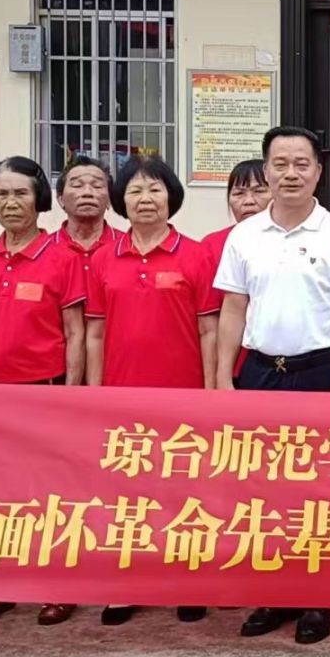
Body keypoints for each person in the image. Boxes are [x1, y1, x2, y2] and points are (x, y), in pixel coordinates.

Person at [215, 126, 330, 644]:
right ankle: (274, 594)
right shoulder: (244, 237)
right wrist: (222, 379)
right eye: (280, 164)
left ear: (318, 171)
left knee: (317, 489)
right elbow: (233, 308)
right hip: (261, 373)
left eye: (301, 163)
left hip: (319, 373)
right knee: (263, 489)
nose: (290, 173)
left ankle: (316, 598)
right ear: (266, 171)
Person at [0, 156, 87, 628]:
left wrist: (72, 395)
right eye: (2, 193)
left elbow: (75, 333)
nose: (11, 202)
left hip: (43, 394)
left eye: (21, 193)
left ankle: (57, 586)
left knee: (49, 494)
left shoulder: (63, 259)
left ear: (40, 199)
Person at [83, 154, 217, 628]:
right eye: (135, 190)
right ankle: (128, 585)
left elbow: (209, 330)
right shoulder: (104, 258)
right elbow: (94, 333)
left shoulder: (196, 255)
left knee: (185, 492)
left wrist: (211, 391)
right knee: (128, 494)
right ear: (121, 200)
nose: (145, 199)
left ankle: (188, 581)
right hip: (123, 396)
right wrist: (95, 392)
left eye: (155, 189)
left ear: (171, 198)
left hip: (184, 395)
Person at [201, 159, 272, 381]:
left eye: (259, 191)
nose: (248, 201)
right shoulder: (211, 246)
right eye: (239, 193)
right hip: (229, 365)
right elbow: (209, 318)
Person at [56, 154, 120, 282]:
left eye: (97, 186)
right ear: (61, 200)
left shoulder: (126, 247)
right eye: (77, 185)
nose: (87, 193)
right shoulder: (44, 249)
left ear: (109, 200)